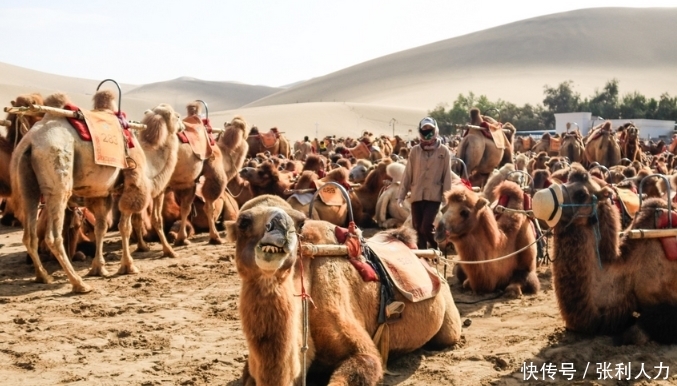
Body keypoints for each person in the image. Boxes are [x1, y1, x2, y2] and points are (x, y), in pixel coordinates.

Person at [398, 117, 453, 249]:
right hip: (417, 195)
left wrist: (447, 198)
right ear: (420, 131)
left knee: (426, 226)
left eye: (430, 129)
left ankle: (435, 248)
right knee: (417, 228)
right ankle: (423, 255)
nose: (427, 132)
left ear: (435, 130)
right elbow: (408, 174)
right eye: (424, 129)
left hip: (434, 196)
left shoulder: (443, 151)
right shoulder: (415, 151)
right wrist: (401, 194)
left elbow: (447, 175)